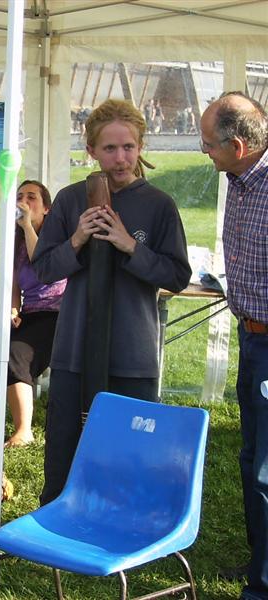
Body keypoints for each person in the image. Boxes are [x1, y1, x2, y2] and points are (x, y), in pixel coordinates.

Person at [32, 98, 191, 505]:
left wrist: (128, 245)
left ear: (141, 147)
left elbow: (176, 275)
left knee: (129, 454)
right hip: (74, 349)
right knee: (65, 450)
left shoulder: (158, 205)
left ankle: (125, 519)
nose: (120, 158)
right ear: (91, 150)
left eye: (128, 147)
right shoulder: (70, 200)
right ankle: (59, 517)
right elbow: (44, 269)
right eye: (109, 148)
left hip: (132, 352)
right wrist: (77, 239)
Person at [200, 91, 268, 600]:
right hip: (251, 336)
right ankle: (260, 558)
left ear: (237, 146)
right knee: (251, 457)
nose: (205, 152)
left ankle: (263, 584)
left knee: (265, 466)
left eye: (208, 144)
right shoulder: (240, 180)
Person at [0, 181, 66, 447]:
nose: (24, 202)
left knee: (16, 354)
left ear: (46, 208)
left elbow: (42, 265)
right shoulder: (16, 238)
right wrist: (12, 310)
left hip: (57, 314)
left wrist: (28, 226)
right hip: (29, 312)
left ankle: (24, 430)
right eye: (20, 196)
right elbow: (14, 284)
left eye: (32, 197)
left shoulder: (58, 236)